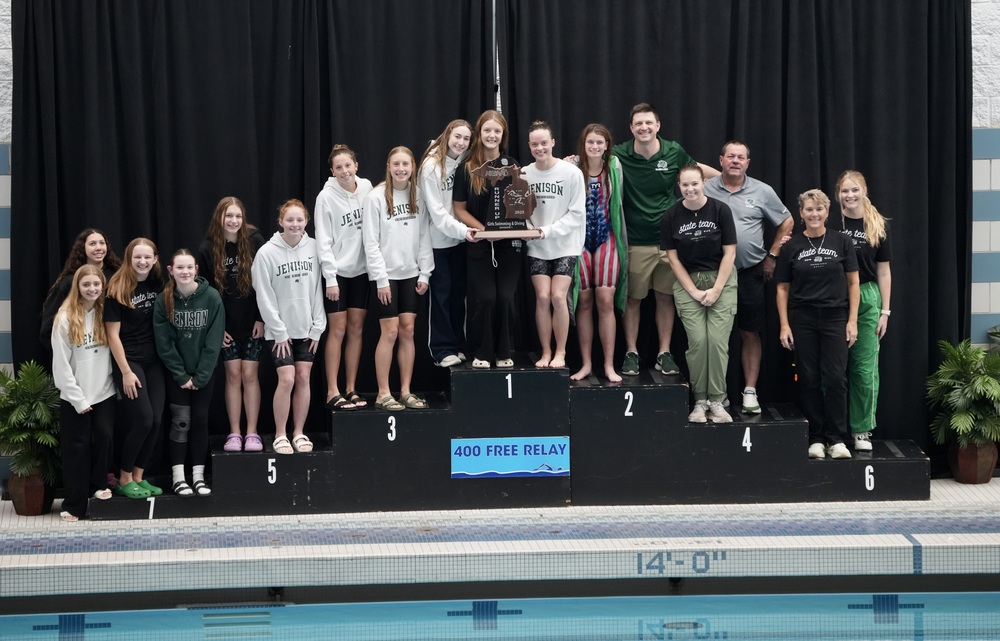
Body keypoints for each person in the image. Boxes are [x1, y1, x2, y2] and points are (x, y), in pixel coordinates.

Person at [612, 103, 718, 377]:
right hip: (635, 241)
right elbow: (593, 160)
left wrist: (727, 178)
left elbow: (696, 170)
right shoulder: (620, 153)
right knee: (633, 300)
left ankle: (664, 352)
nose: (644, 128)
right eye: (639, 124)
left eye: (649, 123)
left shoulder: (673, 151)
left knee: (665, 298)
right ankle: (632, 352)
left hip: (670, 242)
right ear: (631, 128)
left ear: (658, 126)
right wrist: (569, 161)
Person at [703, 141, 793, 414]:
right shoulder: (706, 187)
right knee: (715, 335)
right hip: (713, 273)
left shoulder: (762, 191)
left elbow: (787, 221)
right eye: (730, 156)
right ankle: (717, 392)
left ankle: (750, 391)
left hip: (750, 271)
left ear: (748, 163)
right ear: (720, 160)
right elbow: (685, 168)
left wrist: (773, 254)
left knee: (749, 332)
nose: (735, 161)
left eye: (741, 157)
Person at [775, 189, 859, 460]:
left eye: (819, 209)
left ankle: (837, 439)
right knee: (809, 379)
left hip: (836, 317)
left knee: (836, 378)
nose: (814, 214)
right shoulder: (791, 246)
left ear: (827, 212)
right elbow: (782, 289)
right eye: (809, 210)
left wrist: (852, 321)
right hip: (803, 319)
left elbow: (853, 283)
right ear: (801, 214)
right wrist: (784, 325)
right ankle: (816, 437)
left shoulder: (842, 241)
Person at [661, 164, 738, 423]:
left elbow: (730, 253)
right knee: (698, 342)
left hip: (722, 279)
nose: (690, 189)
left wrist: (717, 289)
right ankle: (700, 400)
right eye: (685, 185)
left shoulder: (720, 210)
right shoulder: (671, 215)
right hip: (688, 282)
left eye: (695, 183)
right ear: (679, 187)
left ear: (704, 182)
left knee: (716, 341)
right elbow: (672, 258)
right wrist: (693, 290)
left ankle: (717, 400)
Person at [251, 199, 326, 454]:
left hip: (307, 329)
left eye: (299, 220)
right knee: (287, 379)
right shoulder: (266, 253)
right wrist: (278, 329)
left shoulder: (314, 248)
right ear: (280, 221)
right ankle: (280, 434)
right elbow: (263, 293)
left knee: (303, 378)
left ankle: (299, 432)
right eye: (289, 220)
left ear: (306, 221)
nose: (295, 224)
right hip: (279, 331)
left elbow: (319, 289)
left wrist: (318, 327)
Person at [453, 109, 526, 369]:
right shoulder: (467, 169)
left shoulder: (512, 165)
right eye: (487, 130)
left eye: (497, 131)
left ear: (503, 134)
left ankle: (504, 350)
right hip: (479, 244)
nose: (492, 135)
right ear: (479, 134)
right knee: (485, 298)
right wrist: (485, 230)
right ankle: (482, 352)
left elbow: (521, 205)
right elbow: (459, 209)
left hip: (509, 245)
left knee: (505, 297)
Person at [363, 146, 435, 410]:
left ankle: (405, 390)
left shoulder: (419, 197)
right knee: (390, 331)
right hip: (386, 276)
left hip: (411, 274)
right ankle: (383, 393)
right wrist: (381, 279)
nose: (401, 169)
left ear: (413, 167)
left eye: (406, 164)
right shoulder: (376, 197)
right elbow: (370, 242)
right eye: (396, 164)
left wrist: (425, 272)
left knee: (408, 330)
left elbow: (425, 237)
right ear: (388, 166)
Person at [197, 197, 267, 452]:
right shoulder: (207, 248)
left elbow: (266, 282)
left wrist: (261, 317)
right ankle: (235, 432)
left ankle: (252, 433)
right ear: (220, 218)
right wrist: (216, 328)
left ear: (243, 218)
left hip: (252, 321)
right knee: (232, 375)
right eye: (229, 216)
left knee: (250, 375)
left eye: (238, 216)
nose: (234, 221)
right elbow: (204, 292)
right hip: (224, 325)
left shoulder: (256, 241)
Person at [154, 249, 225, 496]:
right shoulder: (164, 299)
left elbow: (214, 341)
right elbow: (164, 343)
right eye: (179, 268)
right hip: (177, 376)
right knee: (180, 422)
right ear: (171, 271)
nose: (185, 272)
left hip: (205, 374)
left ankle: (198, 475)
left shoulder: (212, 297)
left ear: (196, 269)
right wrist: (182, 376)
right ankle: (178, 476)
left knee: (201, 421)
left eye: (189, 268)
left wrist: (201, 376)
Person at [51, 265, 116, 521]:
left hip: (104, 391)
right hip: (75, 395)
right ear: (77, 286)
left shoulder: (106, 313)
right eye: (86, 284)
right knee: (76, 449)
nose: (92, 289)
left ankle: (98, 485)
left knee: (105, 437)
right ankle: (74, 504)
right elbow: (61, 365)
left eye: (96, 284)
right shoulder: (65, 317)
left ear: (103, 286)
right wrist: (77, 399)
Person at [314, 145, 374, 411]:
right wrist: (330, 278)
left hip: (361, 271)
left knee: (356, 329)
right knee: (336, 330)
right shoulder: (325, 198)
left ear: (356, 166)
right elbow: (323, 241)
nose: (344, 171)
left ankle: (350, 387)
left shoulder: (367, 188)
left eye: (348, 165)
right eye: (338, 167)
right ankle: (332, 390)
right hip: (337, 273)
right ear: (332, 171)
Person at [522, 121, 586, 369]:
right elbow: (518, 209)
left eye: (544, 143)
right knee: (542, 296)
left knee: (558, 297)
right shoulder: (525, 174)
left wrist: (546, 231)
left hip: (565, 245)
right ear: (529, 146)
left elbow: (576, 214)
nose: (540, 148)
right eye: (535, 144)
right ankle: (546, 352)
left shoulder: (571, 173)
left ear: (553, 143)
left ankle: (561, 353)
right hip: (537, 246)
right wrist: (527, 228)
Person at [836, 170, 892, 452]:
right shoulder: (833, 222)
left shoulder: (877, 224)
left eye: (854, 190)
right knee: (833, 369)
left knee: (864, 369)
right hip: (835, 297)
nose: (850, 195)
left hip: (868, 297)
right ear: (838, 194)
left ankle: (861, 429)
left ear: (864, 190)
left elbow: (884, 271)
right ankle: (831, 432)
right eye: (845, 191)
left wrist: (885, 310)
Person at [105, 238, 165, 498]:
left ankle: (139, 476)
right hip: (129, 362)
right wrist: (126, 372)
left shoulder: (159, 283)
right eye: (137, 257)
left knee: (157, 421)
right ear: (129, 259)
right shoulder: (116, 288)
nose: (142, 262)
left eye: (147, 257)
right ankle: (124, 477)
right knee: (143, 419)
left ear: (155, 259)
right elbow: (112, 336)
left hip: (154, 361)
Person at [569, 124, 627, 383]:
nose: (594, 147)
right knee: (584, 301)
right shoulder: (571, 167)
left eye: (599, 143)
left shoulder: (613, 166)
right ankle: (586, 364)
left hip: (606, 238)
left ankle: (609, 365)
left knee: (605, 300)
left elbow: (618, 203)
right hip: (579, 241)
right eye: (590, 142)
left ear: (606, 146)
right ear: (583, 144)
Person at [419, 119, 475, 369]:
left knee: (457, 296)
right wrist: (465, 230)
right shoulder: (431, 166)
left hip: (460, 241)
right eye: (457, 137)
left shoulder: (464, 163)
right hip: (439, 243)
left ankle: (457, 344)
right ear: (447, 135)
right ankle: (441, 349)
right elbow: (438, 214)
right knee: (441, 296)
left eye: (466, 139)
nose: (461, 142)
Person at [40, 228, 122, 346]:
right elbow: (49, 327)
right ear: (83, 247)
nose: (98, 247)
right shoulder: (70, 281)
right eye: (92, 244)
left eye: (102, 243)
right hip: (82, 346)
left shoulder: (117, 276)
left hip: (112, 346)